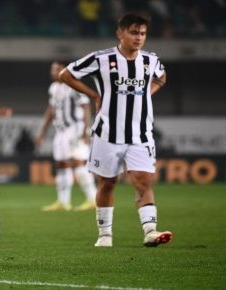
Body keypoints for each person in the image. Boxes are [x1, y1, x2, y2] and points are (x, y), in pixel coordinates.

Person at [59, 14, 172, 247]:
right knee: (108, 183)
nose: (139, 38)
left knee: (142, 182)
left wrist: (147, 93)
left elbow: (162, 77)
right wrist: (93, 95)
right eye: (133, 32)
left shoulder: (151, 60)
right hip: (107, 134)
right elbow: (66, 75)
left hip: (141, 134)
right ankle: (105, 235)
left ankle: (150, 231)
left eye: (142, 33)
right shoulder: (101, 59)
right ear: (120, 33)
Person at [36, 61, 97, 212]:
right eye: (53, 69)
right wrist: (42, 131)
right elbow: (51, 110)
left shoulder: (74, 85)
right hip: (61, 131)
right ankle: (63, 202)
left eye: (57, 69)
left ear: (65, 70)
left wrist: (85, 131)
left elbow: (86, 106)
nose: (54, 72)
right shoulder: (54, 88)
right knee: (62, 165)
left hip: (75, 129)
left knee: (77, 163)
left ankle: (93, 198)